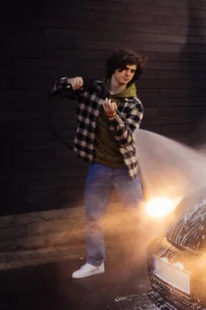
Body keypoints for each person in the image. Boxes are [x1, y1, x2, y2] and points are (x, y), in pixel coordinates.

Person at [53, 49, 146, 279]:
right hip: (99, 166)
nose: (127, 74)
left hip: (125, 169)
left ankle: (148, 259)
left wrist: (114, 117)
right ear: (113, 69)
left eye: (132, 71)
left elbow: (125, 138)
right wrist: (70, 83)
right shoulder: (93, 91)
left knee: (138, 216)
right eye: (123, 69)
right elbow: (57, 88)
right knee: (93, 216)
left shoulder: (134, 105)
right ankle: (96, 262)